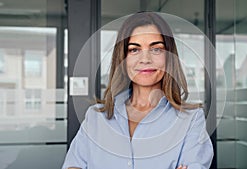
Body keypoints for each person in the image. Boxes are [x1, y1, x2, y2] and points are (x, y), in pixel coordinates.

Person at [62, 11, 213, 169]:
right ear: (123, 58)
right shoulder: (95, 117)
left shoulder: (191, 120)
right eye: (134, 50)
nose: (145, 59)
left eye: (156, 49)